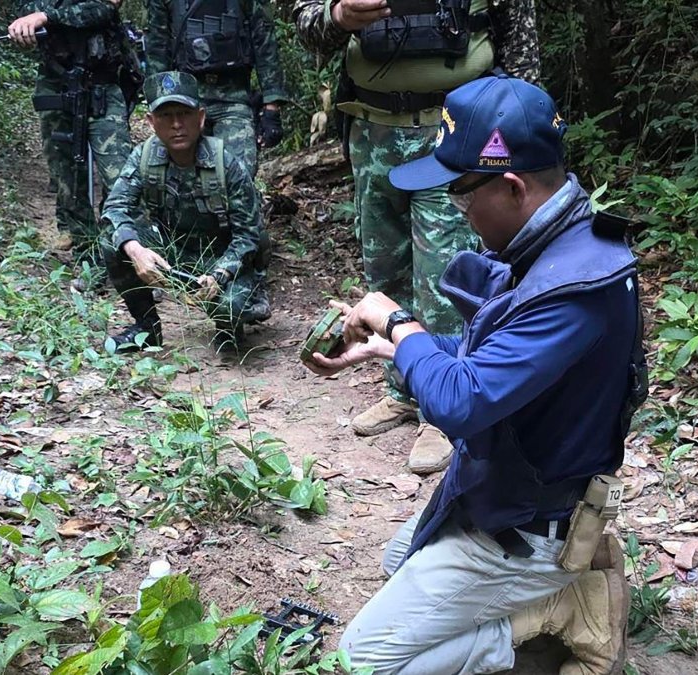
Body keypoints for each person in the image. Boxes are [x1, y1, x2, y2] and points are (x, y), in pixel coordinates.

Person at [304, 75, 644, 675]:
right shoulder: (555, 244)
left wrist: (400, 321)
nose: (460, 216)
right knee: (394, 559)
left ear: (512, 186)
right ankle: (542, 601)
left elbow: (463, 401)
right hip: (500, 487)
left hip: (529, 524)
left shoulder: (574, 288)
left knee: (361, 664)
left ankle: (555, 611)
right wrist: (388, 350)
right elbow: (488, 356)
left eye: (462, 198)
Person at [293, 0, 543, 475]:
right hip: (372, 131)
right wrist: (338, 16)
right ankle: (402, 390)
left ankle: (443, 406)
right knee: (384, 270)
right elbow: (307, 29)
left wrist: (514, 138)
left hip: (455, 134)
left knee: (444, 278)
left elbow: (523, 50)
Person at [100, 72, 270, 351]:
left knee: (231, 308)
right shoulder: (143, 157)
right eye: (166, 116)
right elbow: (115, 208)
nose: (177, 124)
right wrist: (136, 250)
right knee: (113, 241)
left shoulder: (225, 163)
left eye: (184, 114)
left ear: (201, 118)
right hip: (171, 252)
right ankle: (147, 328)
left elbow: (249, 235)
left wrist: (219, 275)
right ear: (151, 123)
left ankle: (230, 326)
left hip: (218, 257)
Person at [9, 0, 135, 272]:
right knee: (67, 177)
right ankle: (89, 259)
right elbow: (24, 13)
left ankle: (125, 255)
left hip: (103, 82)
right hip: (56, 81)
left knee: (121, 176)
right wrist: (24, 27)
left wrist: (46, 16)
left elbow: (104, 8)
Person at [145, 0, 288, 176]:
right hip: (185, 101)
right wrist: (157, 105)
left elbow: (264, 40)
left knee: (240, 176)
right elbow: (157, 45)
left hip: (234, 99)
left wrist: (272, 105)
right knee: (182, 179)